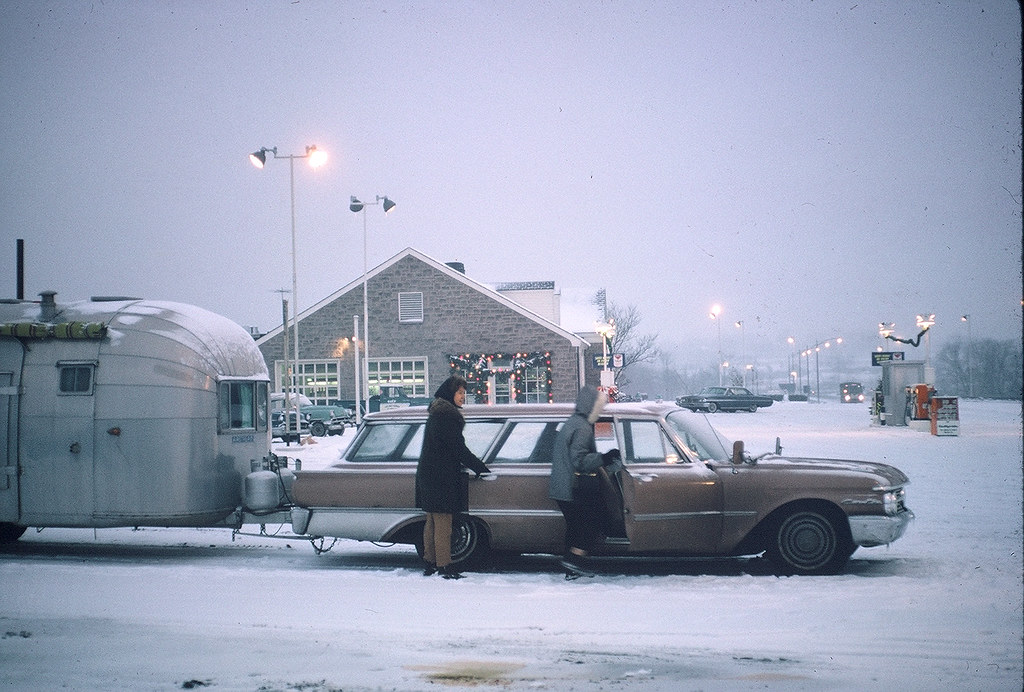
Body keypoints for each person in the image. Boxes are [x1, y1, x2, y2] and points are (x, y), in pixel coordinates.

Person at [415, 375, 490, 579]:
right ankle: (445, 566)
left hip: (429, 474)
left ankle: (430, 562)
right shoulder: (448, 417)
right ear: (450, 393)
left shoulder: (437, 414)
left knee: (431, 520)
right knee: (443, 522)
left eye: (464, 393)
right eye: (459, 392)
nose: (463, 397)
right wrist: (480, 467)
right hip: (440, 477)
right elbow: (458, 448)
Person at [548, 385, 621, 580]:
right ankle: (574, 561)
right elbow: (579, 460)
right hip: (573, 487)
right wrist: (605, 458)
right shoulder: (582, 427)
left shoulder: (573, 422)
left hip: (562, 486)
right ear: (592, 407)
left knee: (575, 526)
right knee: (590, 524)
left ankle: (571, 565)